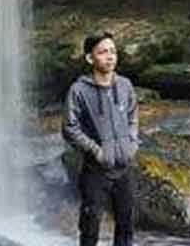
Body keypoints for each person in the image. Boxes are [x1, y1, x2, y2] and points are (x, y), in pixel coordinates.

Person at [62, 30, 139, 246]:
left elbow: (133, 117)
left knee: (126, 227)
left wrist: (132, 143)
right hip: (96, 170)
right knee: (90, 226)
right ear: (90, 58)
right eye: (103, 52)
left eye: (113, 51)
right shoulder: (78, 90)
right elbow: (69, 127)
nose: (110, 56)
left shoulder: (125, 86)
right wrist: (95, 150)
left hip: (124, 168)